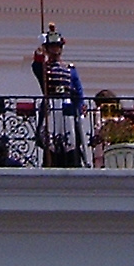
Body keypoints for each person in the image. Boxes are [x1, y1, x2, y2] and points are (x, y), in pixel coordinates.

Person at [31, 25, 89, 167]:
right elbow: (36, 67)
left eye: (57, 47)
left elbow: (78, 90)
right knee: (50, 139)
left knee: (71, 138)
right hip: (51, 105)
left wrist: (80, 106)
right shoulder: (45, 68)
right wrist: (39, 53)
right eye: (52, 47)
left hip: (67, 105)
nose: (55, 50)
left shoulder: (69, 69)